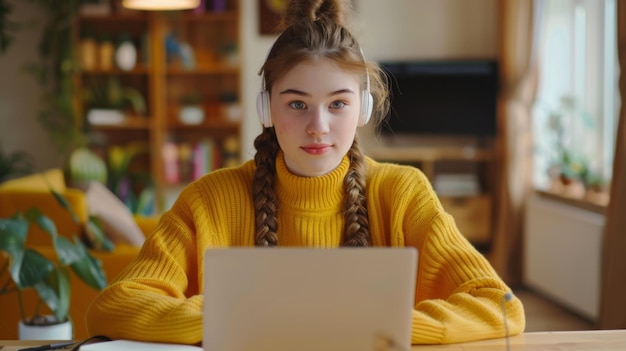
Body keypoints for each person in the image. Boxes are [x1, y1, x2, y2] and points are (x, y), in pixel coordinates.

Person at [86, 0, 525, 345]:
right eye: (297, 103)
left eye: (338, 104)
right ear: (267, 109)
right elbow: (116, 304)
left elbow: (500, 306)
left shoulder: (403, 193)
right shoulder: (210, 199)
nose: (318, 126)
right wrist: (246, 322)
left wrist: (374, 327)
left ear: (363, 108)